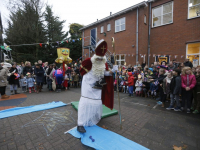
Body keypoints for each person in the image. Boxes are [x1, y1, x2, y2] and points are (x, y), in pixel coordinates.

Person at [77, 39, 117, 133]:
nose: (99, 60)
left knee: (96, 104)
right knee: (85, 103)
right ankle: (80, 124)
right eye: (98, 58)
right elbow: (82, 71)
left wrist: (113, 71)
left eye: (101, 58)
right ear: (95, 56)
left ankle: (92, 118)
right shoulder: (88, 62)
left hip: (98, 88)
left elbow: (105, 74)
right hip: (87, 87)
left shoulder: (103, 64)